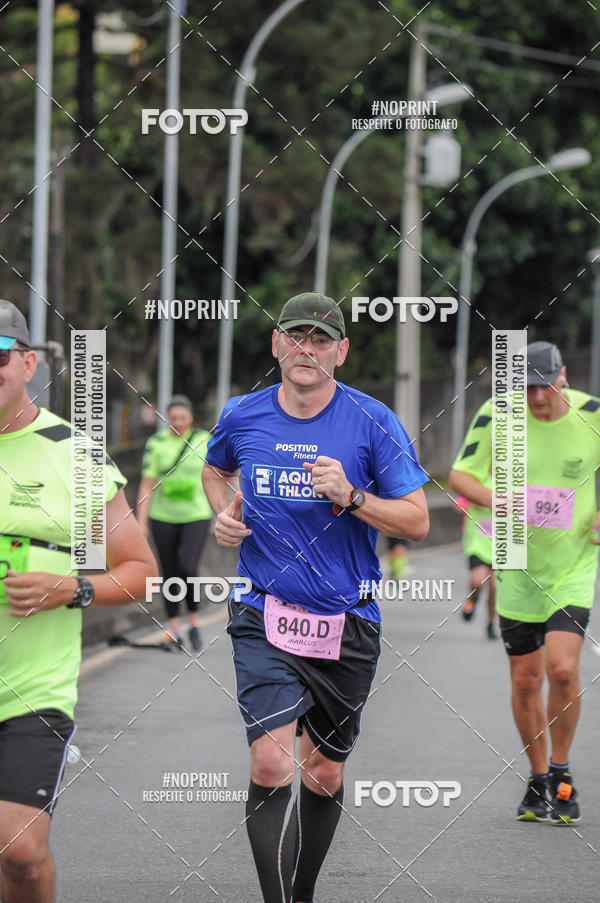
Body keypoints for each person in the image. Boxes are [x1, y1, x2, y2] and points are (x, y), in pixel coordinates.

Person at [202, 291, 429, 903]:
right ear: (277, 344)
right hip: (263, 608)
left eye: (321, 340)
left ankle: (301, 892)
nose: (307, 349)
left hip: (346, 618)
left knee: (323, 771)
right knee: (273, 761)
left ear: (342, 352)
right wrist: (224, 511)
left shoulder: (372, 421)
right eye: (296, 337)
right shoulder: (243, 414)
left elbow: (416, 520)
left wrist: (352, 496)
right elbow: (215, 469)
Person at [0, 300, 157, 903]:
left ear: (28, 363)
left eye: (0, 355)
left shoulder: (74, 454)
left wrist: (73, 588)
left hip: (31, 689)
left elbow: (140, 572)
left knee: (20, 852)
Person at [449, 341, 600, 825]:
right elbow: (460, 476)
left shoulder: (593, 414)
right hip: (514, 560)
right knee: (525, 680)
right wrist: (497, 499)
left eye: (545, 386)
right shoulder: (498, 414)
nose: (536, 397)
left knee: (562, 671)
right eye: (527, 388)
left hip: (572, 565)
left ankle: (561, 771)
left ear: (563, 376)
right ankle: (537, 779)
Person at [137, 395, 212, 651]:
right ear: (167, 418)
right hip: (162, 516)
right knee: (169, 572)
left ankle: (194, 622)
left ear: (191, 418)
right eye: (174, 417)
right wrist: (141, 521)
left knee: (188, 568)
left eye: (183, 417)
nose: (178, 422)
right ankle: (175, 630)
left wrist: (223, 511)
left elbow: (218, 476)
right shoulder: (156, 443)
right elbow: (146, 484)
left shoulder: (204, 440)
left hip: (196, 515)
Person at [454, 493, 497, 638]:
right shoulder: (477, 485)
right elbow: (459, 506)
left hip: (500, 546)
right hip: (477, 544)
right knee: (478, 582)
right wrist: (476, 501)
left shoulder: (507, 486)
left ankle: (491, 623)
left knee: (495, 588)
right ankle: (472, 601)